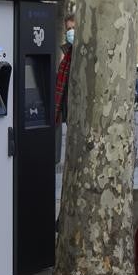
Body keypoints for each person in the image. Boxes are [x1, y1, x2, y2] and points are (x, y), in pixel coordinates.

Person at [54, 15, 75, 165]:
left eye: (74, 28)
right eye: (68, 29)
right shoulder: (66, 55)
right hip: (68, 111)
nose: (71, 32)